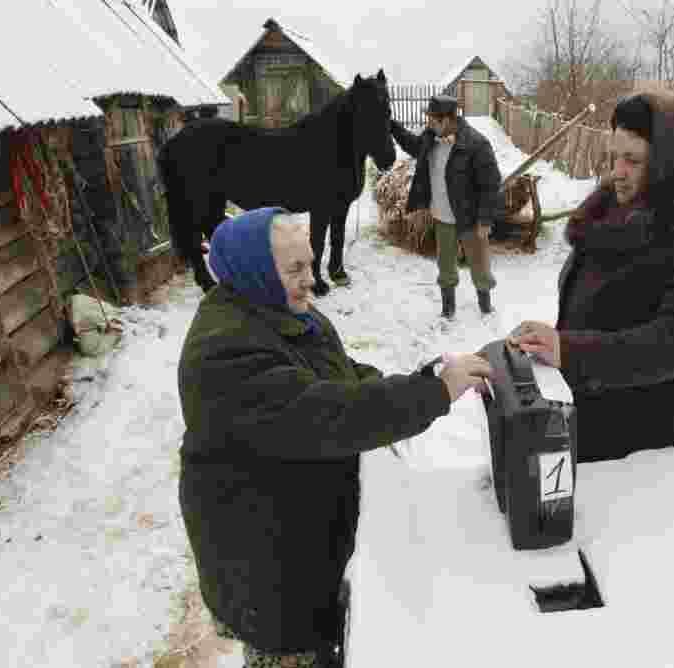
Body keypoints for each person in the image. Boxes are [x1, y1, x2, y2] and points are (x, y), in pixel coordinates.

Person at [176, 207, 493, 668]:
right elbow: (327, 414)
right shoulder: (223, 354)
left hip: (300, 532)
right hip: (266, 563)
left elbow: (338, 377)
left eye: (310, 262)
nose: (312, 279)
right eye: (295, 269)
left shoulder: (281, 310)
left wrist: (421, 381)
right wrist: (433, 393)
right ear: (255, 271)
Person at [507, 90, 674, 462]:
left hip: (664, 450)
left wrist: (570, 350)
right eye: (613, 157)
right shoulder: (613, 215)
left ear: (670, 161)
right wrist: (555, 343)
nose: (616, 172)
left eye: (633, 160)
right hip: (603, 424)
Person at [389, 95, 504, 319]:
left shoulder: (476, 144)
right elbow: (414, 146)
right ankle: (448, 309)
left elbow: (491, 184)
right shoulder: (431, 137)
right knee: (445, 267)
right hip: (442, 216)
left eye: (433, 120)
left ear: (448, 120)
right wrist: (392, 126)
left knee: (479, 265)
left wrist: (485, 220)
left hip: (470, 219)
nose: (429, 124)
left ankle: (485, 307)